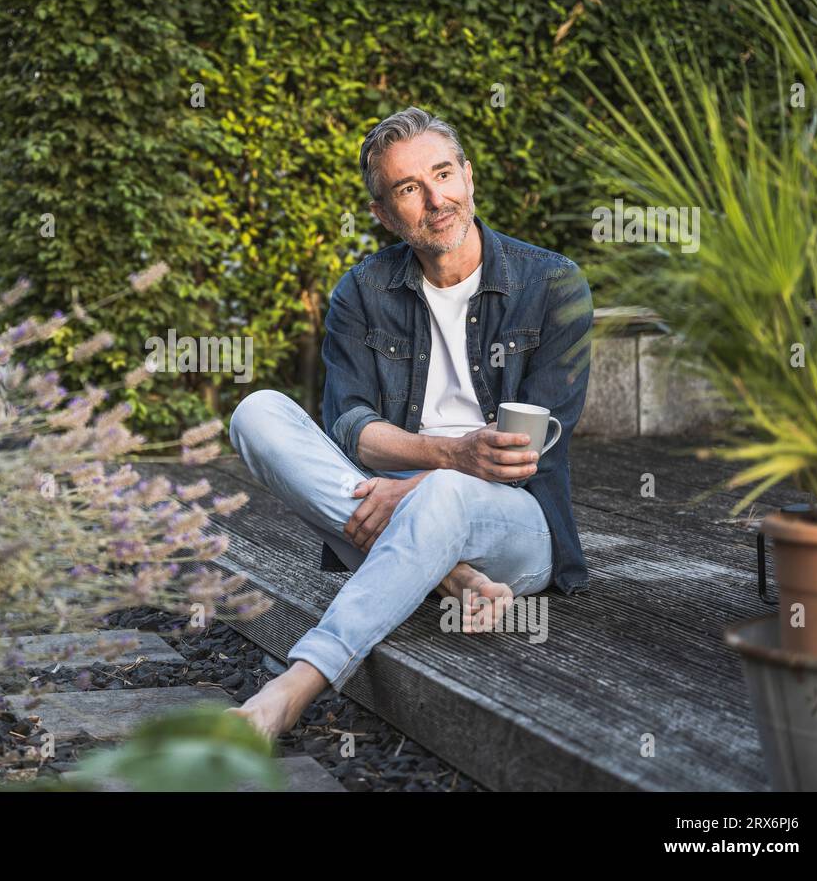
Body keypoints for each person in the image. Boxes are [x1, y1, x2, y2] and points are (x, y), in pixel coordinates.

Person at [226, 106, 593, 740]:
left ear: (469, 177)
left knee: (449, 492)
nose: (436, 199)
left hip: (516, 527)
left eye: (444, 174)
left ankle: (294, 686)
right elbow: (350, 426)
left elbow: (523, 459)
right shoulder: (362, 292)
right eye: (408, 188)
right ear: (384, 213)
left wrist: (426, 482)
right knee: (256, 412)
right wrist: (445, 458)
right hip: (386, 495)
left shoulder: (555, 284)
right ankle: (449, 576)